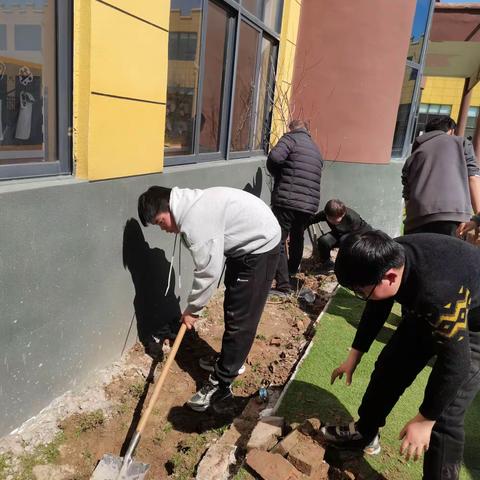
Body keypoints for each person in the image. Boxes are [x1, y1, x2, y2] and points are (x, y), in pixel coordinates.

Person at [321, 230, 480, 480]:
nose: (361, 297)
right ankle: (365, 431)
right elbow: (377, 302)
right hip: (438, 303)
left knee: (446, 415)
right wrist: (355, 354)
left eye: (360, 292)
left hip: (474, 323)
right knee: (390, 366)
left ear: (391, 277)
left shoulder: (437, 294)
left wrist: (426, 419)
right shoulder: (389, 257)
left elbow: (456, 363)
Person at [138, 186, 280, 412]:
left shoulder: (196, 219)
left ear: (169, 208)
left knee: (241, 318)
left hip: (260, 246)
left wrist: (193, 309)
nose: (163, 229)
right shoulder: (187, 205)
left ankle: (221, 384)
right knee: (233, 304)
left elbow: (208, 272)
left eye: (160, 222)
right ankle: (229, 361)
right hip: (243, 244)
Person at [267, 119, 323, 296]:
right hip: (308, 204)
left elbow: (275, 158)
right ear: (307, 129)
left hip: (288, 200)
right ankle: (291, 272)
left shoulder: (290, 139)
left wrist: (277, 174)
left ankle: (283, 286)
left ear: (291, 128)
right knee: (297, 236)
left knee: (278, 239)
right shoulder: (315, 148)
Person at [402, 116, 480, 236]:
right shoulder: (461, 143)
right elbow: (473, 177)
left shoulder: (412, 156)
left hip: (416, 220)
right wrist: (478, 217)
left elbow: (407, 194)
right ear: (451, 130)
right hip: (452, 216)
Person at [308, 199, 372, 270]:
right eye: (330, 218)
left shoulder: (352, 218)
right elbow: (311, 220)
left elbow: (355, 238)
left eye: (336, 219)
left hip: (359, 235)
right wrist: (299, 227)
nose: (333, 221)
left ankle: (344, 265)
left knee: (344, 241)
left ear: (343, 214)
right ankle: (326, 263)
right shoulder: (325, 214)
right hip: (339, 234)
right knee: (323, 240)